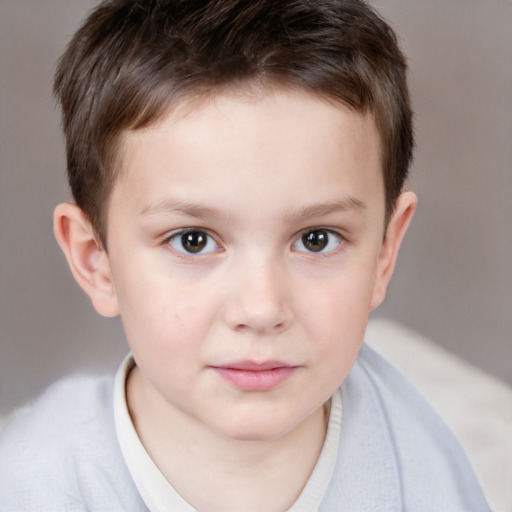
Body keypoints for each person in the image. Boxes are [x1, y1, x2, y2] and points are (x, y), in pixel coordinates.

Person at [0, 0, 489, 510]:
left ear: (384, 253)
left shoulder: (422, 468)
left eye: (316, 239)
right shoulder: (30, 484)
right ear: (94, 260)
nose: (261, 309)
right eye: (193, 240)